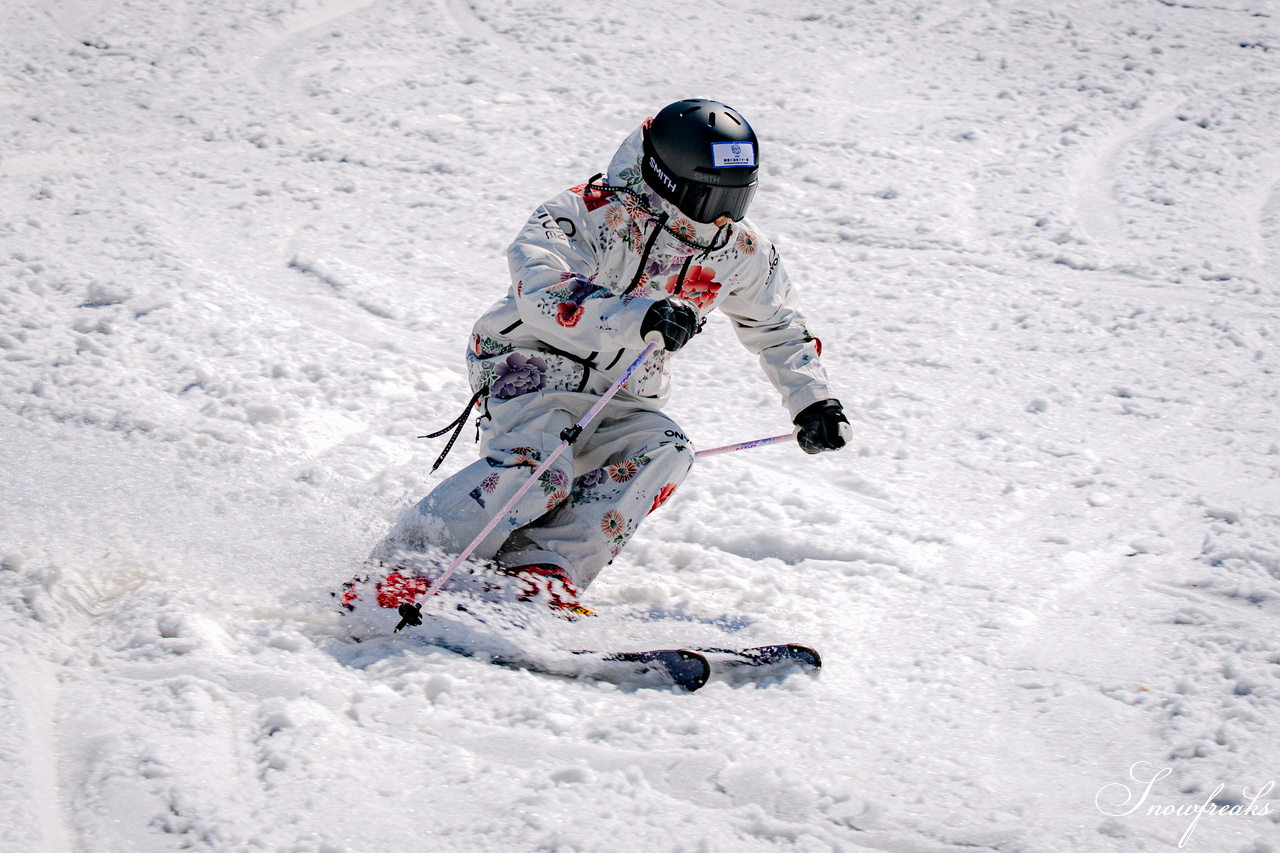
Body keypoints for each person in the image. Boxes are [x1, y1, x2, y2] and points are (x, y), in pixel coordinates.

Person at [356, 99, 850, 624]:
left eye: (740, 195)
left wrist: (812, 401)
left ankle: (540, 571)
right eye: (712, 197)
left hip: (627, 386)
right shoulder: (586, 213)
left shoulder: (738, 249)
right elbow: (539, 287)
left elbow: (777, 326)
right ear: (669, 180)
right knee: (540, 470)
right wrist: (641, 316)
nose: (726, 214)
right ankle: (403, 568)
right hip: (530, 363)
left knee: (664, 450)